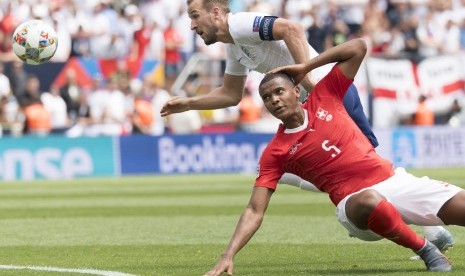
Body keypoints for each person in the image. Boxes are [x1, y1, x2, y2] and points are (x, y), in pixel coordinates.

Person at [162, 0, 454, 250]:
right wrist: (188, 103)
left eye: (194, 15)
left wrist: (310, 80)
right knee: (308, 173)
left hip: (330, 93)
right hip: (315, 102)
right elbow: (230, 94)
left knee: (370, 170)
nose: (191, 25)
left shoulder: (239, 24)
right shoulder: (234, 48)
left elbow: (291, 29)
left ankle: (432, 231)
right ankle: (427, 230)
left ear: (215, 13)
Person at [204, 38, 465, 276]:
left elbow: (359, 47)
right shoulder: (275, 152)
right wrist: (228, 256)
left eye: (279, 92)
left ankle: (431, 230)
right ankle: (426, 250)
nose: (274, 100)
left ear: (296, 90)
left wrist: (305, 65)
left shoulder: (325, 95)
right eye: (267, 98)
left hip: (394, 182)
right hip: (355, 208)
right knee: (370, 199)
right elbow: (254, 210)